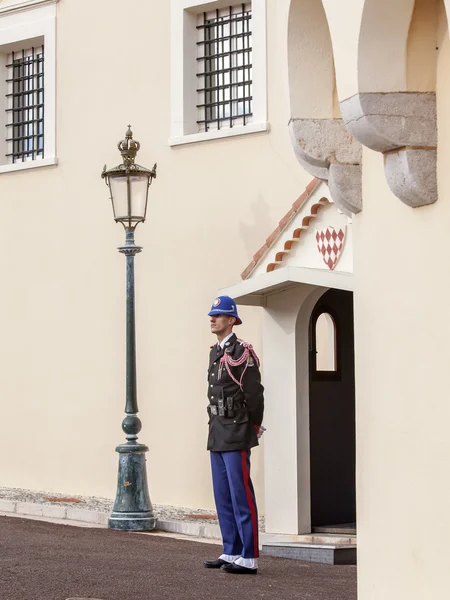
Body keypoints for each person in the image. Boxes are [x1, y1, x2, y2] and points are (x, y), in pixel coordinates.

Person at [203, 295, 264, 575]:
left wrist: (253, 427)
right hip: (217, 430)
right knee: (223, 495)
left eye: (219, 315)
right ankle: (231, 550)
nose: (213, 319)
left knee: (241, 494)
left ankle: (249, 556)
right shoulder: (215, 352)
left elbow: (254, 395)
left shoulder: (242, 352)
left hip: (237, 430)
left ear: (232, 320)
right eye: (212, 315)